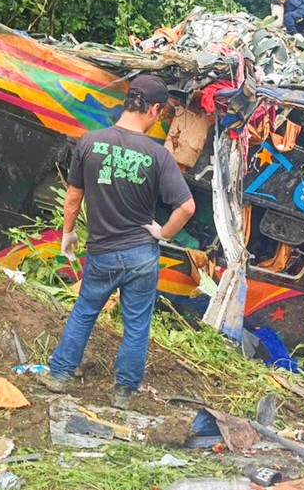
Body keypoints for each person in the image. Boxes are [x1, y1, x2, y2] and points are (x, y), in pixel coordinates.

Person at [40, 74, 196, 408]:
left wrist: (68, 234)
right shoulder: (158, 155)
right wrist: (164, 233)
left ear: (129, 102)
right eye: (161, 113)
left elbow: (73, 196)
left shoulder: (89, 142)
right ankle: (124, 393)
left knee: (84, 311)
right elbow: (186, 207)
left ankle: (59, 375)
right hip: (141, 255)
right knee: (137, 324)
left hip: (103, 253)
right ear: (153, 109)